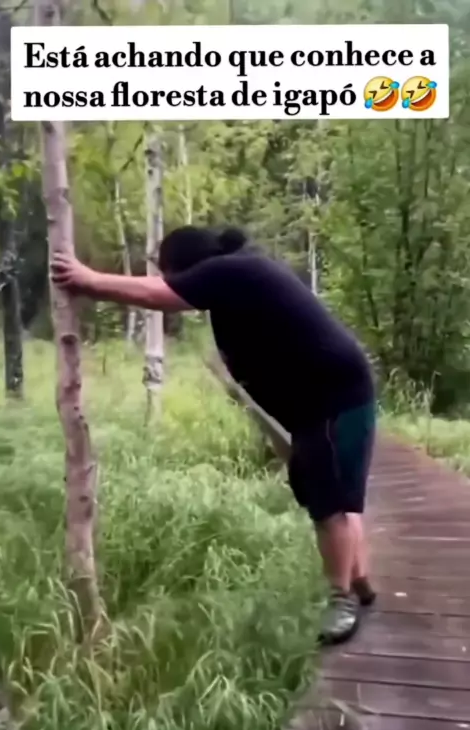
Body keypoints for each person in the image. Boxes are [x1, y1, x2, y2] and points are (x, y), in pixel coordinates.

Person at [51, 225, 376, 645]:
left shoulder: (229, 271)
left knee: (328, 502)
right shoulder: (238, 281)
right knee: (337, 492)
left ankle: (342, 601)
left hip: (331, 398)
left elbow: (156, 294)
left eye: (169, 272)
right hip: (331, 395)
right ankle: (360, 580)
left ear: (184, 267)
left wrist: (87, 279)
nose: (170, 280)